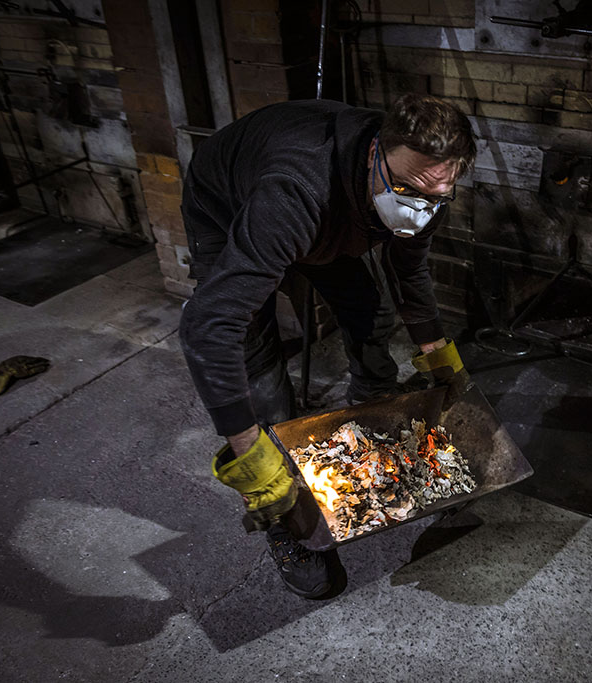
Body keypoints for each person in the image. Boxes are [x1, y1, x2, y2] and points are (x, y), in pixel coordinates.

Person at [178, 93, 476, 598]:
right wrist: (250, 459)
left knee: (370, 310)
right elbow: (209, 327)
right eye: (406, 189)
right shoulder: (293, 194)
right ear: (373, 155)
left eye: (438, 195)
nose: (419, 208)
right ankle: (288, 522)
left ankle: (378, 434)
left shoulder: (426, 188)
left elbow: (408, 272)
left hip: (332, 209)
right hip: (228, 206)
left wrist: (440, 359)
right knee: (257, 355)